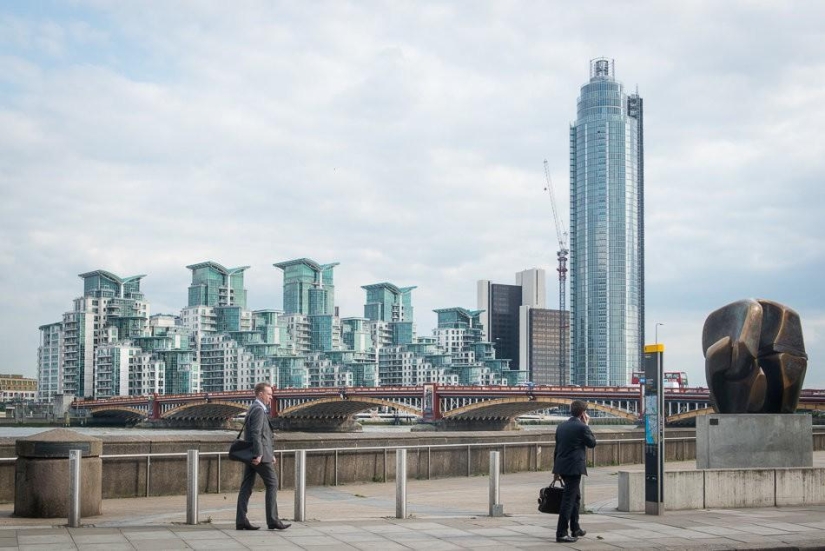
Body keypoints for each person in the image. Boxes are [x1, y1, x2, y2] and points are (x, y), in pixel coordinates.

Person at [236, 382, 291, 531]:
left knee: (246, 486)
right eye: (269, 394)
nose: (271, 398)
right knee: (273, 483)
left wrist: (269, 454)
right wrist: (260, 454)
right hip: (258, 455)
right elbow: (256, 433)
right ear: (261, 394)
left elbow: (261, 434)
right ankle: (273, 520)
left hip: (252, 454)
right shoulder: (259, 409)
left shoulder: (253, 407)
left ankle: (241, 520)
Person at [551, 400, 597, 543]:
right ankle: (561, 533)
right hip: (574, 469)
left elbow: (557, 449)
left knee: (576, 497)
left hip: (562, 467)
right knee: (568, 501)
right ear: (583, 413)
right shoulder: (582, 427)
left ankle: (575, 528)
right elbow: (592, 443)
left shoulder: (561, 426)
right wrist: (587, 425)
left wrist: (556, 470)